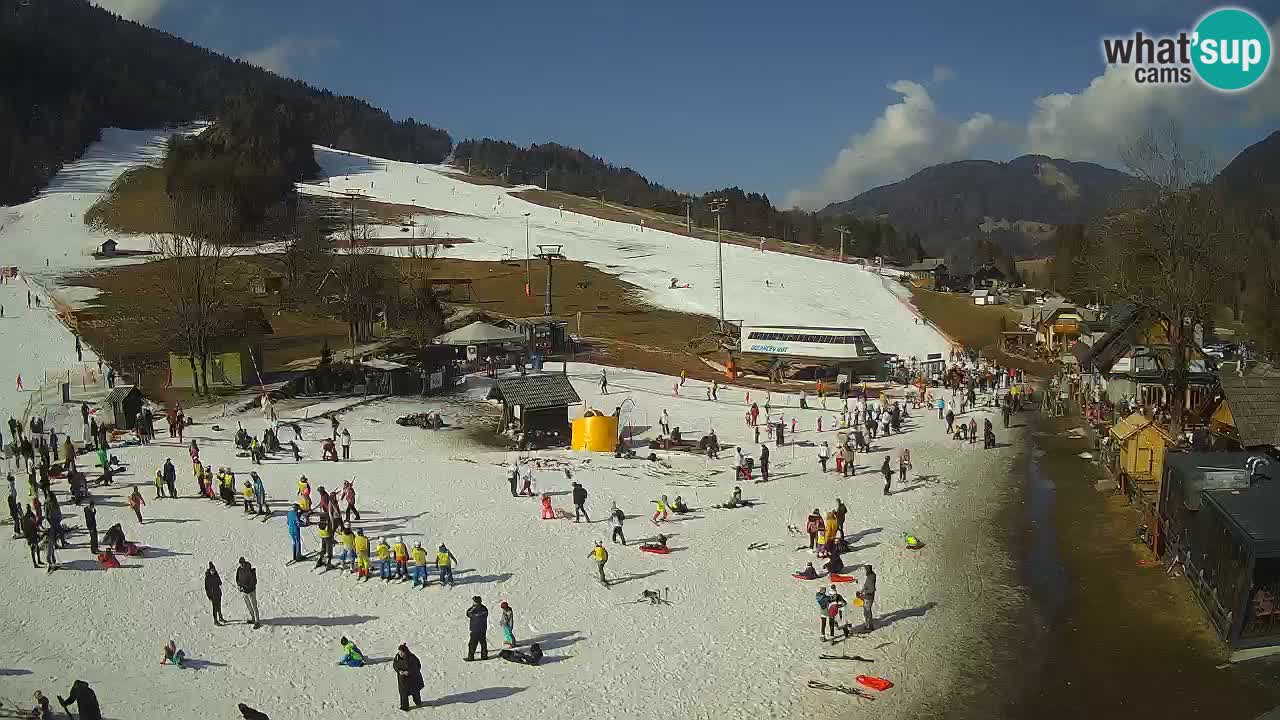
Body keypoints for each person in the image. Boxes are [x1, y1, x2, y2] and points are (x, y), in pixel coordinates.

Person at [394, 644, 426, 711]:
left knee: (415, 691)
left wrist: (409, 672)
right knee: (403, 693)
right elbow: (395, 665)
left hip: (412, 679)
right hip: (402, 679)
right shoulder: (397, 657)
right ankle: (404, 707)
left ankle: (418, 703)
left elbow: (417, 666)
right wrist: (399, 671)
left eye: (402, 652)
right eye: (399, 652)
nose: (400, 654)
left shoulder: (412, 657)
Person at [236, 557, 261, 629]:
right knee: (248, 606)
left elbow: (254, 581)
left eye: (243, 563)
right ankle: (253, 618)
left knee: (254, 605)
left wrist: (247, 587)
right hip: (244, 592)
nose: (242, 564)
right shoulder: (239, 570)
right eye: (240, 563)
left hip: (251, 591)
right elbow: (237, 579)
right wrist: (239, 586)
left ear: (245, 562)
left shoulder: (250, 570)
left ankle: (257, 621)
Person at [466, 596, 489, 661]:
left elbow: (468, 614)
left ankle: (470, 657)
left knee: (472, 644)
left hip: (475, 630)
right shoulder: (484, 608)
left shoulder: (473, 609)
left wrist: (473, 607)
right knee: (483, 643)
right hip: (483, 629)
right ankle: (484, 656)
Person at [859, 565, 877, 632]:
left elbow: (870, 590)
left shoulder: (871, 578)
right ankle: (869, 625)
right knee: (867, 611)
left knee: (867, 612)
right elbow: (865, 586)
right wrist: (860, 592)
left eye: (866, 570)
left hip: (868, 597)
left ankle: (868, 627)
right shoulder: (870, 576)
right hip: (867, 596)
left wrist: (863, 595)